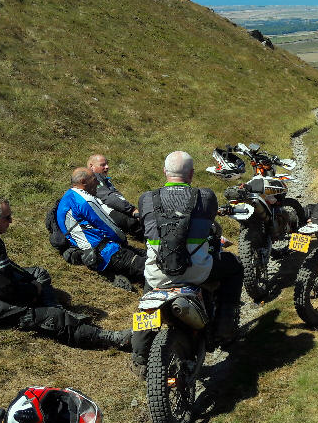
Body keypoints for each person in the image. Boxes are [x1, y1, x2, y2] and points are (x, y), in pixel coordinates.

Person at [0, 197, 131, 349]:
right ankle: (108, 337)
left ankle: (57, 310)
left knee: (39, 273)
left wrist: (31, 282)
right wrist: (34, 291)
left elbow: (2, 270)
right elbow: (6, 291)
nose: (11, 221)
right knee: (52, 316)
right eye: (7, 218)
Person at [137, 151, 243, 355]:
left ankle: (139, 354)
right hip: (198, 271)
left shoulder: (146, 199)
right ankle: (225, 328)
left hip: (158, 272)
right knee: (234, 265)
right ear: (192, 174)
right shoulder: (206, 197)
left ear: (164, 172)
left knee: (147, 298)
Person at [57, 168, 145, 289]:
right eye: (94, 180)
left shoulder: (68, 196)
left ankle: (114, 274)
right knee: (151, 267)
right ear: (83, 181)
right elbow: (108, 226)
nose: (98, 183)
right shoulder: (85, 200)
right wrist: (123, 241)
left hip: (89, 254)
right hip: (107, 252)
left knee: (148, 255)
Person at [87, 154, 143, 238]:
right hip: (107, 214)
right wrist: (132, 210)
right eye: (102, 165)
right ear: (91, 166)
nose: (107, 167)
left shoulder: (103, 179)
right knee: (136, 224)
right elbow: (109, 198)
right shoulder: (93, 178)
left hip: (115, 210)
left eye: (107, 164)